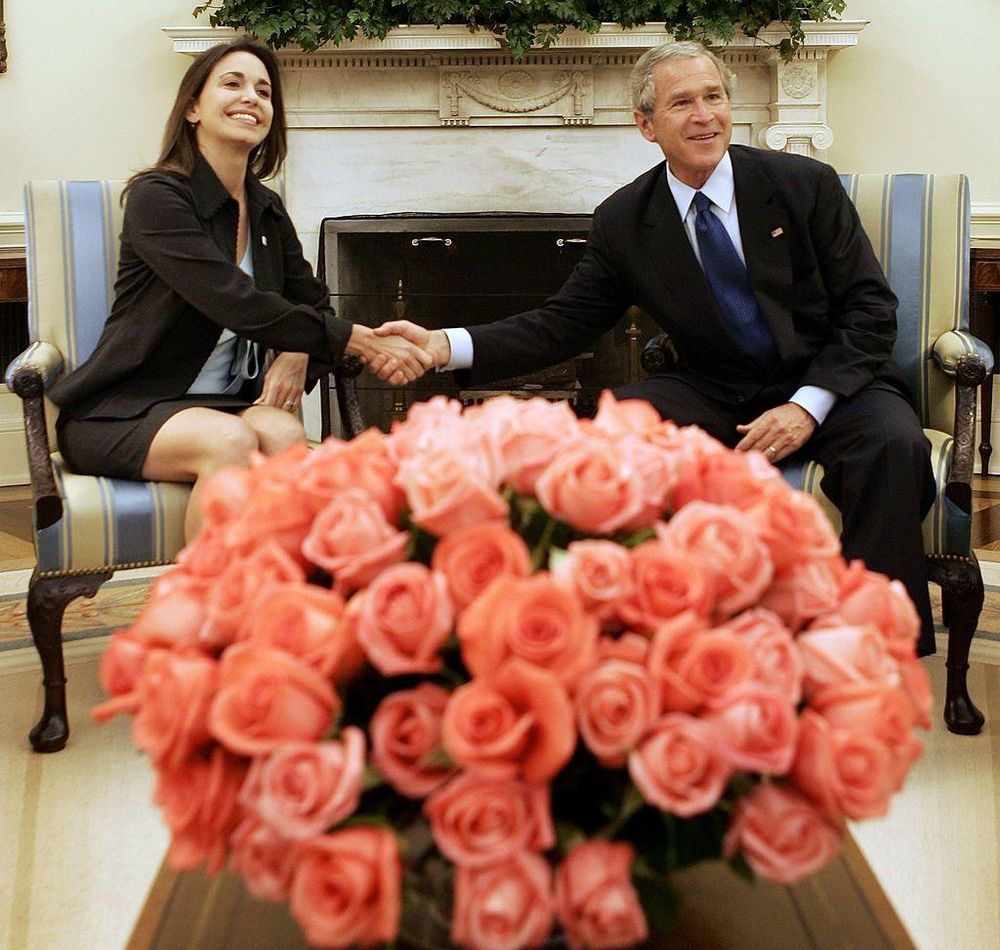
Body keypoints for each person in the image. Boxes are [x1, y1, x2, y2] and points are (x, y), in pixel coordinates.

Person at [371, 40, 938, 656]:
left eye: (715, 98)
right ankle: (649, 643)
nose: (705, 116)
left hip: (833, 379)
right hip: (718, 386)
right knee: (615, 430)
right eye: (683, 103)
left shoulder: (803, 184)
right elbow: (561, 323)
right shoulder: (625, 221)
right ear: (647, 124)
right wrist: (439, 346)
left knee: (895, 444)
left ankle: (879, 650)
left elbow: (870, 308)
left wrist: (807, 405)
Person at [48, 38, 430, 540]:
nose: (252, 97)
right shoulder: (158, 197)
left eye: (264, 90)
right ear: (192, 108)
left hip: (222, 403)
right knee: (226, 441)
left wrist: (298, 348)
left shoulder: (266, 208)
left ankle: (268, 597)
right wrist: (356, 338)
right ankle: (200, 610)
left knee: (287, 434)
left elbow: (311, 302)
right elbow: (231, 299)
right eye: (232, 84)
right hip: (122, 408)